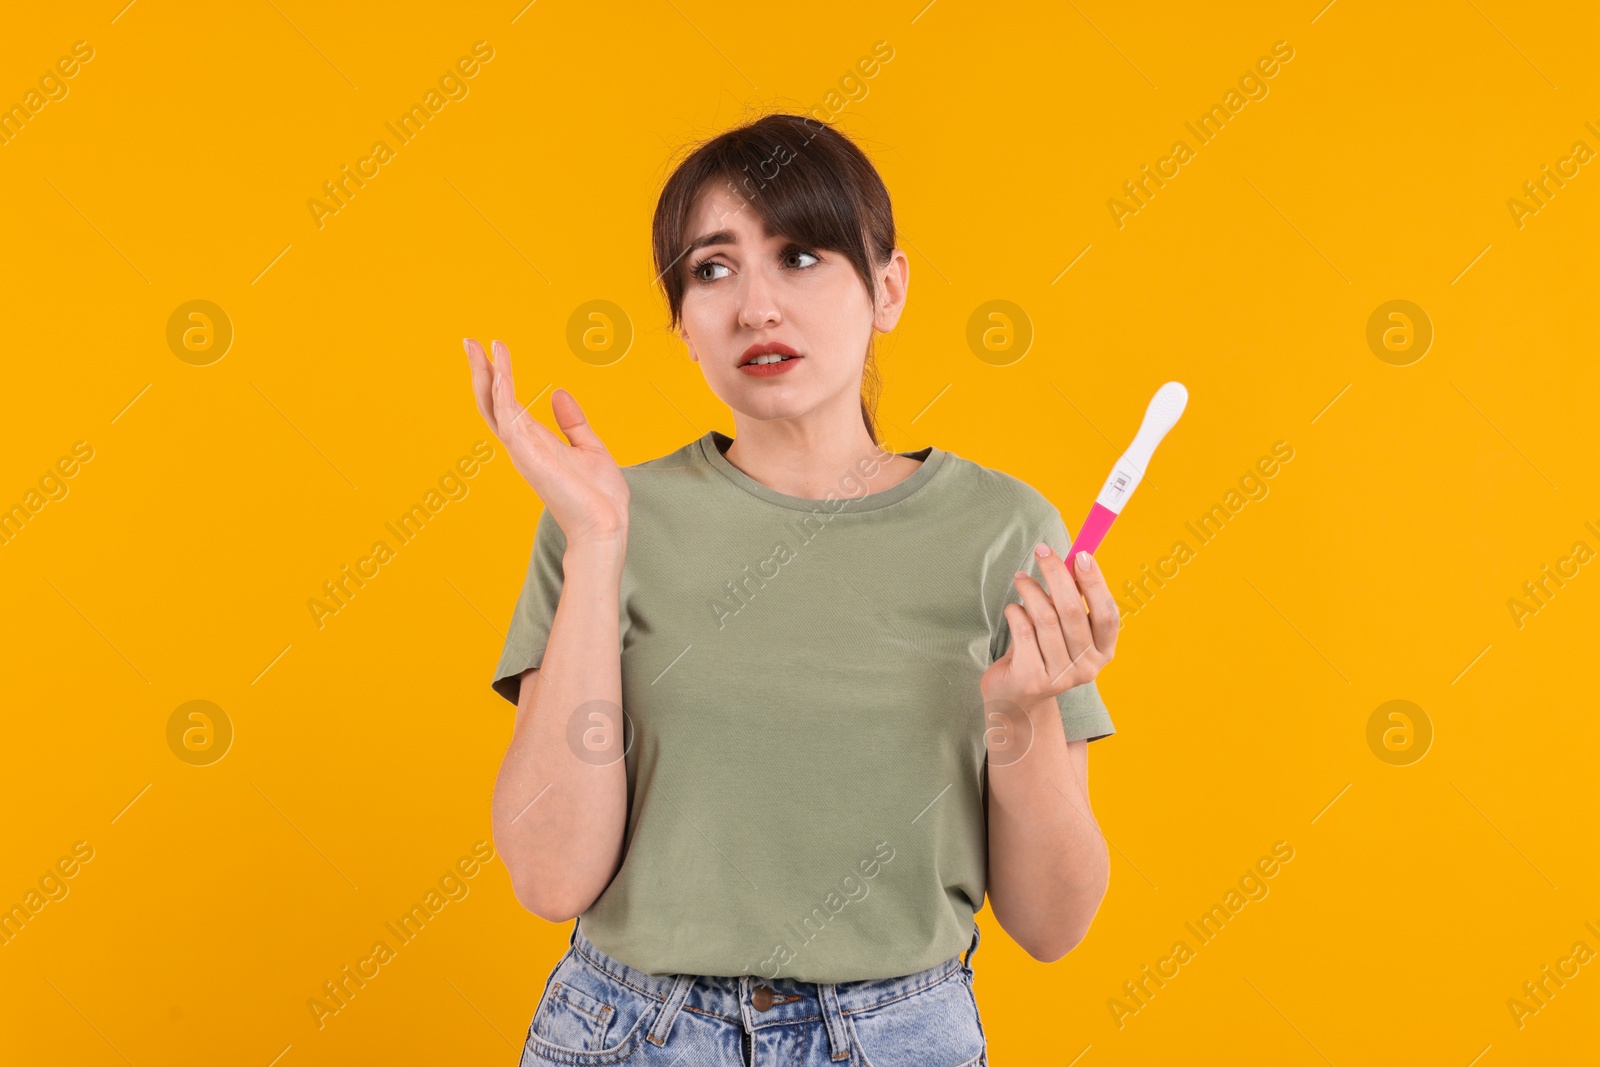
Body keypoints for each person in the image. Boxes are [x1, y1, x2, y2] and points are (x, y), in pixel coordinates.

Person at [464, 112, 1120, 1066]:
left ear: (888, 287)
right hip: (633, 1034)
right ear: (682, 321)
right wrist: (600, 543)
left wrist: (1020, 712)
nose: (756, 308)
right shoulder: (605, 515)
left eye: (801, 256)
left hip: (902, 1036)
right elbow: (550, 875)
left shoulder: (1004, 533)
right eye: (712, 269)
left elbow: (1054, 923)